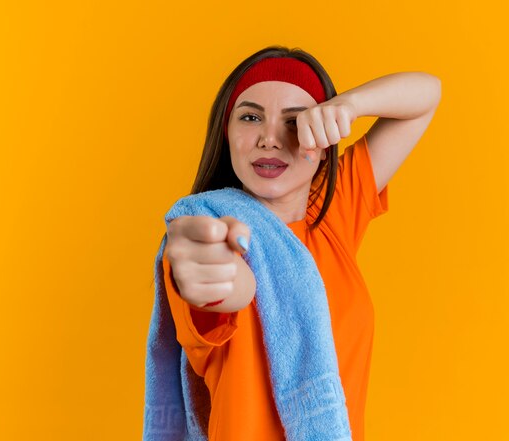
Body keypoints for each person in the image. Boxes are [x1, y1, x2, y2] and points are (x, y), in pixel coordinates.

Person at [161, 45, 441, 440]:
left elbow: (427, 94)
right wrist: (214, 272)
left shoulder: (336, 213)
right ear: (227, 133)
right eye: (251, 117)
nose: (270, 139)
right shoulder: (206, 227)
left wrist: (348, 106)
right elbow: (227, 290)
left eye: (294, 122)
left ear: (324, 145)